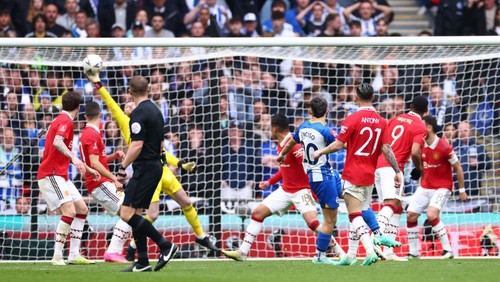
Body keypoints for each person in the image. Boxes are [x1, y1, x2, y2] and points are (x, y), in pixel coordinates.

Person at [86, 71, 217, 263]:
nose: (130, 106)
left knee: (186, 202)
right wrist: (98, 84)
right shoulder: (126, 121)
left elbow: (161, 150)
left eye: (131, 103)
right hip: (149, 170)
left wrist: (179, 163)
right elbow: (111, 103)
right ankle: (135, 250)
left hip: (161, 168)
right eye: (127, 105)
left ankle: (199, 237)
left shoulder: (148, 114)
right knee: (150, 215)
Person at [222, 113, 346, 261]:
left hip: (301, 191)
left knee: (313, 224)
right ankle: (242, 252)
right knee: (257, 213)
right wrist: (270, 182)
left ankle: (340, 251)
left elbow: (307, 162)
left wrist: (313, 190)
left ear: (274, 129)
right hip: (285, 190)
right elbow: (285, 169)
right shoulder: (281, 145)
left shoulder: (294, 145)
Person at [314, 83, 402, 266]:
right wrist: (397, 171)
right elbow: (386, 148)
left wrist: (320, 152)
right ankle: (377, 236)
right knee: (363, 210)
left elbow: (338, 144)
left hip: (353, 173)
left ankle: (370, 251)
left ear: (356, 97)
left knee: (354, 215)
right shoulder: (381, 121)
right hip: (369, 174)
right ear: (373, 98)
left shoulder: (352, 118)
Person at [105, 75, 175, 272]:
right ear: (149, 90)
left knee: (126, 213)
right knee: (136, 213)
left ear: (130, 92)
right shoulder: (156, 111)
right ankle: (142, 261)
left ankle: (165, 245)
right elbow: (161, 143)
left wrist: (122, 167)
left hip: (144, 168)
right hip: (154, 167)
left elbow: (136, 145)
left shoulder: (138, 114)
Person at [276, 97, 342, 265]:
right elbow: (340, 144)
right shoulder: (325, 131)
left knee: (349, 194)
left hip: (319, 176)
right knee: (330, 221)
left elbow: (292, 141)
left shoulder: (303, 126)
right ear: (327, 111)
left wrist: (282, 154)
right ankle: (320, 256)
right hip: (323, 177)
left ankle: (359, 243)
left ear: (310, 111)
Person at [36, 91, 99, 266]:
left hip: (61, 175)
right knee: (70, 212)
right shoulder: (65, 121)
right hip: (51, 174)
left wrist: (87, 169)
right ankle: (57, 256)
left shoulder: (59, 120)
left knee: (82, 209)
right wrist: (74, 158)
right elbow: (57, 141)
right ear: (78, 108)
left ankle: (73, 254)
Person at [374, 95, 428, 261]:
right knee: (393, 204)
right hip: (393, 168)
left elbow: (383, 142)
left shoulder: (395, 119)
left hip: (379, 165)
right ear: (426, 111)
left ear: (410, 106)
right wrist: (419, 169)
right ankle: (376, 236)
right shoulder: (420, 126)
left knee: (395, 208)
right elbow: (415, 151)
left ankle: (389, 252)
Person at [406, 115, 467, 259]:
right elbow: (421, 166)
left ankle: (448, 250)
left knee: (432, 214)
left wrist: (462, 190)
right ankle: (414, 253)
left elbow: (458, 167)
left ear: (429, 128)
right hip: (425, 186)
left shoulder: (444, 146)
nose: (418, 129)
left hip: (442, 187)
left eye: (421, 126)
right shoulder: (419, 145)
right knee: (411, 215)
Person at [78, 101, 132, 263]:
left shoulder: (89, 133)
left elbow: (96, 160)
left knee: (130, 212)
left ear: (85, 116)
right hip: (100, 183)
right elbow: (94, 164)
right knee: (129, 213)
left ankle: (115, 249)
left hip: (100, 183)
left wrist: (113, 157)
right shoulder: (92, 134)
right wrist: (115, 178)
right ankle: (113, 250)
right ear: (100, 115)